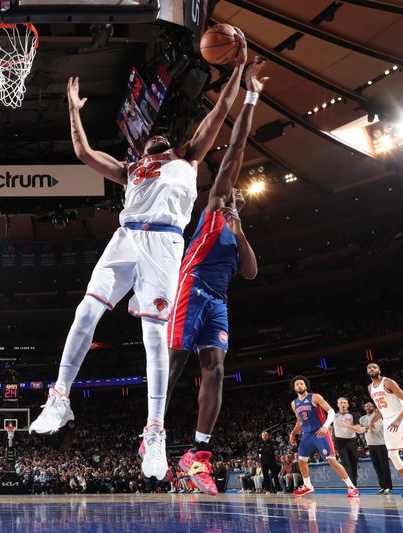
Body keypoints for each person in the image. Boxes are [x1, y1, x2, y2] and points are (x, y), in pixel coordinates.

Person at [31, 28, 249, 482]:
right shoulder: (132, 169)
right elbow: (83, 152)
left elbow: (222, 110)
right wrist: (73, 113)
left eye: (159, 138)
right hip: (126, 236)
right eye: (148, 139)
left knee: (154, 338)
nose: (153, 139)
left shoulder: (187, 159)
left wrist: (239, 68)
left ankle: (155, 433)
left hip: (165, 245)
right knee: (86, 310)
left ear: (172, 146)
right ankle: (60, 398)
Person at [163, 58, 267, 494]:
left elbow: (250, 272)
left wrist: (241, 230)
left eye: (237, 196)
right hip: (190, 288)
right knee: (172, 366)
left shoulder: (234, 230)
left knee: (217, 370)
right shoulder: (210, 213)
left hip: (219, 300)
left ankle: (197, 453)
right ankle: (153, 435)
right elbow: (237, 148)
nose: (233, 193)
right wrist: (251, 96)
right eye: (229, 190)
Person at [288, 375, 359, 498]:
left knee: (331, 459)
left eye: (301, 383)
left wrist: (326, 426)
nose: (299, 385)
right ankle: (308, 486)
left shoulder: (315, 397)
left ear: (305, 386)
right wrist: (293, 433)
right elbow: (299, 421)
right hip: (306, 435)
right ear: (294, 388)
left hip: (320, 432)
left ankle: (352, 487)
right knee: (301, 460)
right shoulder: (294, 403)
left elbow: (331, 411)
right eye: (297, 384)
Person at [365, 362, 403, 498]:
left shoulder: (388, 382)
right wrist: (372, 422)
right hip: (387, 422)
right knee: (392, 455)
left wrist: (398, 420)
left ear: (379, 370)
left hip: (402, 418)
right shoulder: (369, 388)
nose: (372, 369)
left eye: (374, 367)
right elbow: (380, 408)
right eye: (369, 368)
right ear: (367, 372)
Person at [359, 401, 392, 494]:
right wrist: (364, 429)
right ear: (364, 408)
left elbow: (374, 430)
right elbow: (361, 431)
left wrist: (365, 429)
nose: (368, 406)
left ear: (374, 407)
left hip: (381, 444)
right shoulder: (362, 419)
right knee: (377, 467)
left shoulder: (379, 416)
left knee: (384, 466)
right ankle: (383, 487)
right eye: (366, 405)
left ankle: (389, 487)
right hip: (370, 445)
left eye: (370, 405)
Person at [332, 397, 361, 487]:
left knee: (353, 464)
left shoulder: (353, 415)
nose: (343, 404)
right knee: (345, 464)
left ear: (347, 405)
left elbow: (358, 429)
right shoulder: (333, 416)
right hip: (339, 442)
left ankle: (354, 486)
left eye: (345, 403)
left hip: (351, 441)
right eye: (341, 403)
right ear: (338, 405)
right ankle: (350, 487)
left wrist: (347, 425)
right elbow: (330, 429)